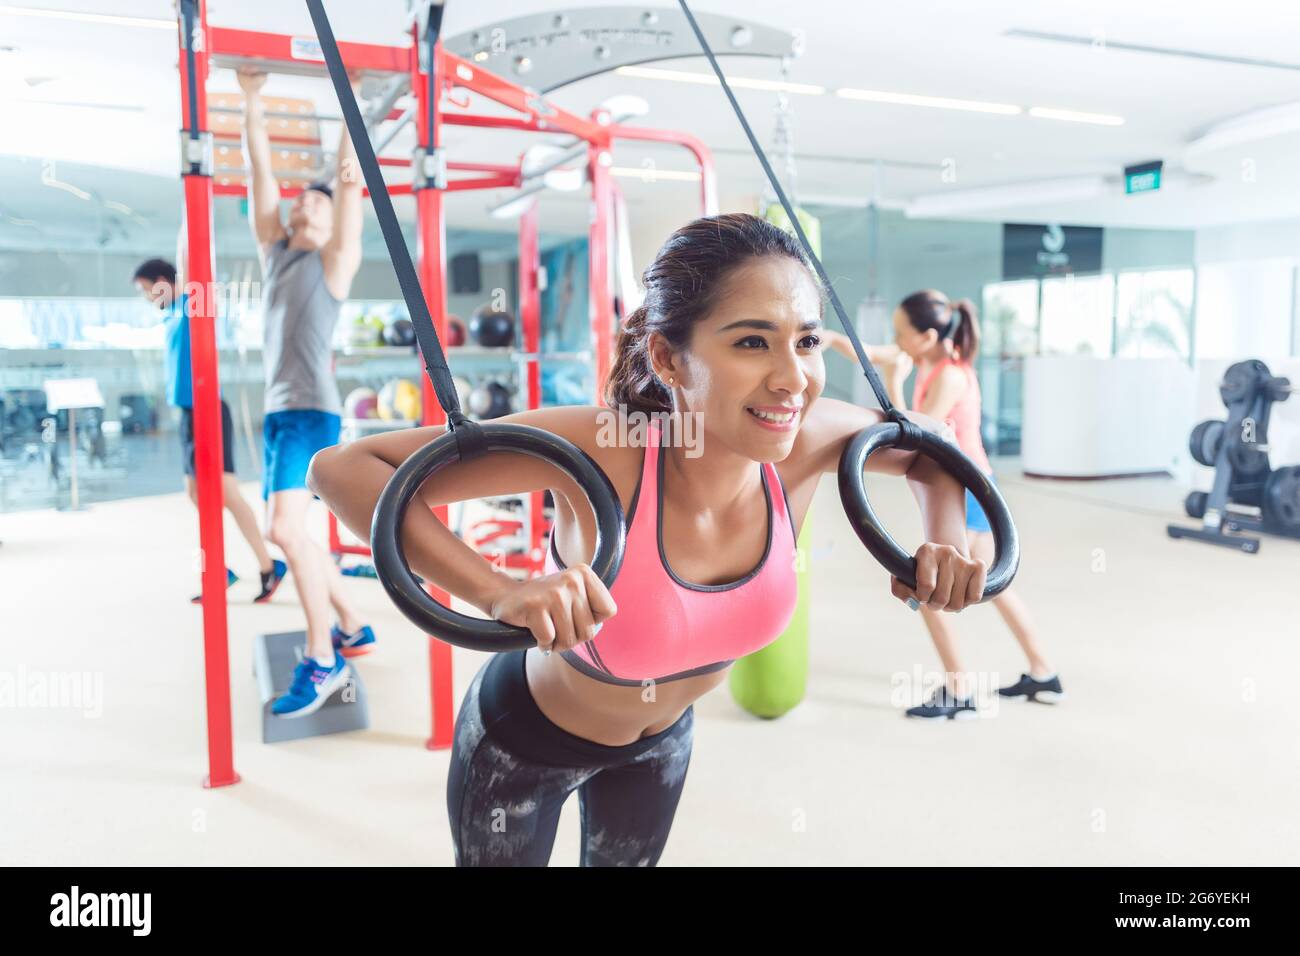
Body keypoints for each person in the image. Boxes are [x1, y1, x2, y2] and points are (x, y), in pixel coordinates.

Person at [310, 214, 987, 866]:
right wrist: (499, 592)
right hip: (524, 739)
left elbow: (932, 446)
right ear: (667, 356)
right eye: (752, 342)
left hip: (661, 744)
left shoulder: (809, 444)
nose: (793, 378)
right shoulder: (609, 447)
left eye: (806, 341)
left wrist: (946, 539)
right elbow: (343, 471)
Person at [825, 292, 1062, 719]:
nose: (896, 340)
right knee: (993, 588)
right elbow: (868, 352)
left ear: (927, 337)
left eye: (901, 333)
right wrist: (823, 337)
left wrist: (894, 382)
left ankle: (960, 689)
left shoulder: (951, 376)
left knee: (934, 585)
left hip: (969, 489)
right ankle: (1043, 673)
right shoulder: (930, 360)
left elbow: (919, 433)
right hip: (971, 484)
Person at [238, 66, 376, 718]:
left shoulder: (334, 261)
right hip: (278, 414)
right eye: (300, 201)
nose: (302, 204)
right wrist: (251, 98)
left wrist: (350, 111)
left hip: (311, 414)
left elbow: (350, 182)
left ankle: (324, 657)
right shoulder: (277, 255)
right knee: (299, 535)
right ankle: (353, 621)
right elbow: (260, 173)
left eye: (316, 204)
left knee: (284, 531)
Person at [132, 257, 286, 604]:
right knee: (195, 493)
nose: (146, 298)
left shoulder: (190, 305)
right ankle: (220, 567)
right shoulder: (170, 313)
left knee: (227, 494)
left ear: (163, 282)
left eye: (146, 290)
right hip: (190, 414)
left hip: (210, 411)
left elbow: (192, 263)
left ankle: (268, 566)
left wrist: (190, 220)